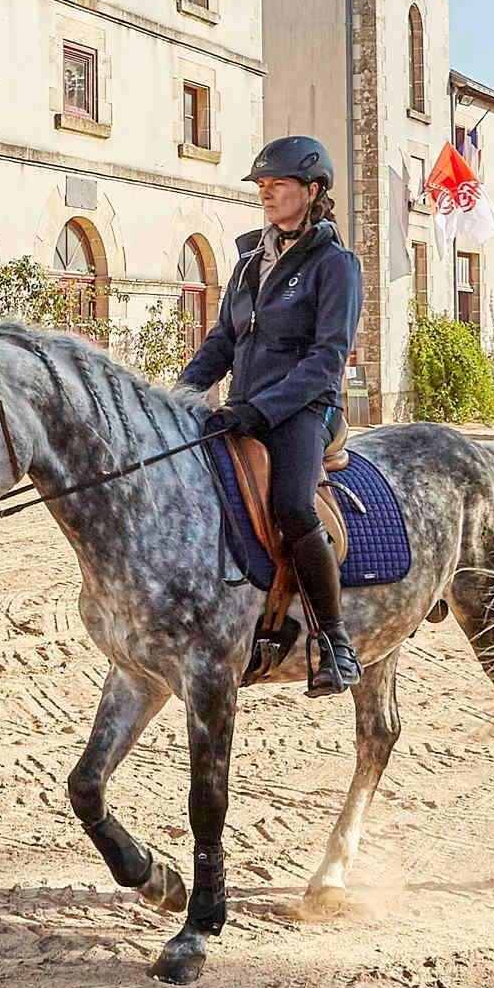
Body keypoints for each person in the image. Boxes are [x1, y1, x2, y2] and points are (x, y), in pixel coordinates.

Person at [181, 134, 366, 695]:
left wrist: (265, 410)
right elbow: (222, 342)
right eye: (261, 185)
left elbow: (328, 356)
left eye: (277, 185)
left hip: (305, 412)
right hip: (246, 410)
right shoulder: (246, 265)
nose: (266, 193)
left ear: (312, 191)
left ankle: (334, 642)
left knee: (289, 504)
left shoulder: (336, 265)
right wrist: (182, 396)